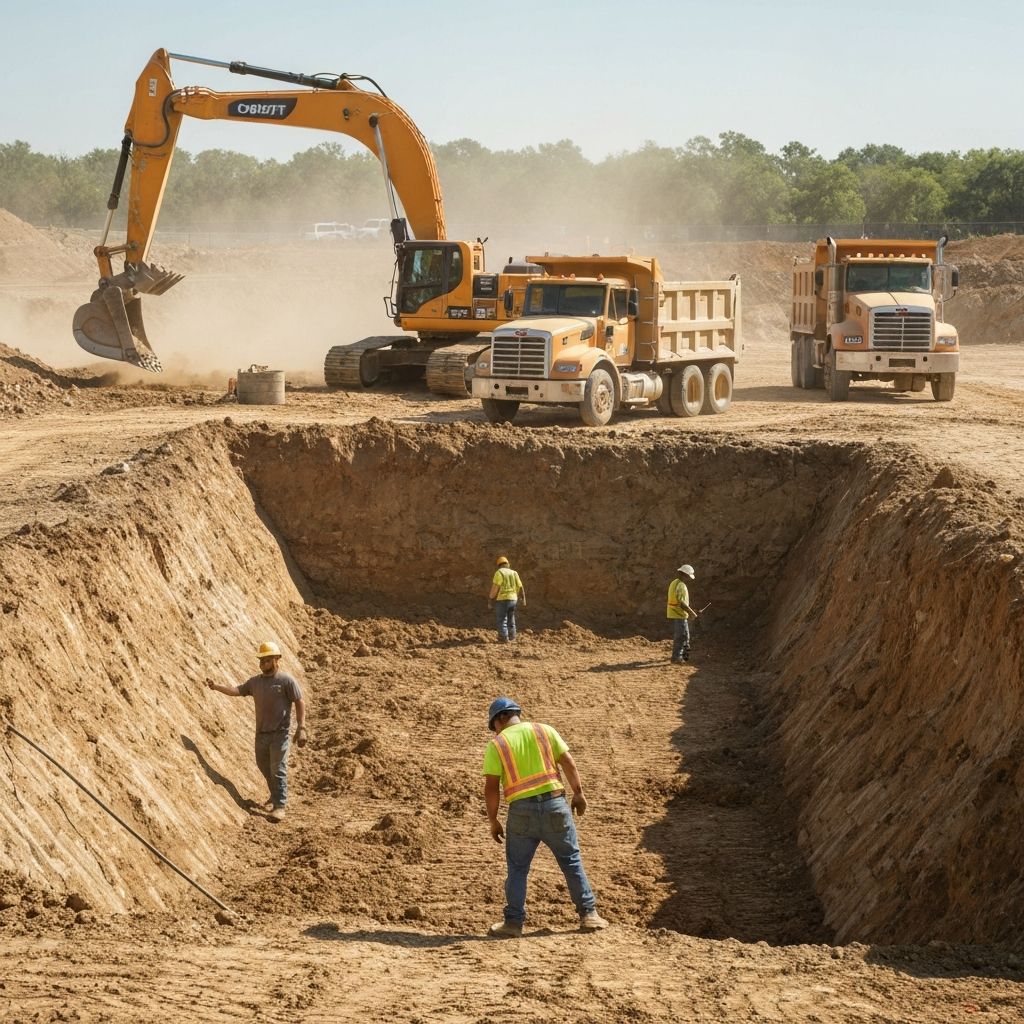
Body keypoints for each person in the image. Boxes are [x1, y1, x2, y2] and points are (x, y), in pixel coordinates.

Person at [482, 696, 608, 937]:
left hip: (521, 813)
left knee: (518, 868)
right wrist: (578, 793)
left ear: (500, 719)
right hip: (555, 806)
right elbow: (568, 762)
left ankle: (513, 924)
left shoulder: (497, 745)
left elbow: (491, 787)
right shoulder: (545, 730)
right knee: (571, 861)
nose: (494, 731)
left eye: (493, 726)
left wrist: (493, 820)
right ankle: (589, 915)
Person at [205, 641, 307, 822]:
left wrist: (301, 727)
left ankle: (279, 806)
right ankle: (275, 793)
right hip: (261, 734)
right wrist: (216, 687)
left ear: (277, 659)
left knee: (278, 769)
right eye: (262, 661)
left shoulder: (286, 681)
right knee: (264, 767)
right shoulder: (255, 682)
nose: (264, 664)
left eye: (268, 660)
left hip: (280, 734)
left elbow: (299, 702)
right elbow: (236, 690)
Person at [488, 555, 525, 643]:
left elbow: (495, 587)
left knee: (502, 619)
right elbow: (520, 586)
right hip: (513, 599)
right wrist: (523, 599)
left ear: (499, 565)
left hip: (503, 599)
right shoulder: (514, 573)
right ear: (508, 564)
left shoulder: (499, 573)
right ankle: (512, 637)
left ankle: (503, 638)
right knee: (511, 618)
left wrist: (490, 598)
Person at [667, 564, 699, 664]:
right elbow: (682, 603)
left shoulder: (674, 583)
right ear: (684, 574)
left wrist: (690, 611)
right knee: (682, 636)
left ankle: (683, 656)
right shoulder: (681, 586)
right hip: (679, 614)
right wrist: (692, 613)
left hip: (674, 613)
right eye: (689, 576)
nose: (689, 578)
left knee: (683, 635)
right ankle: (677, 657)